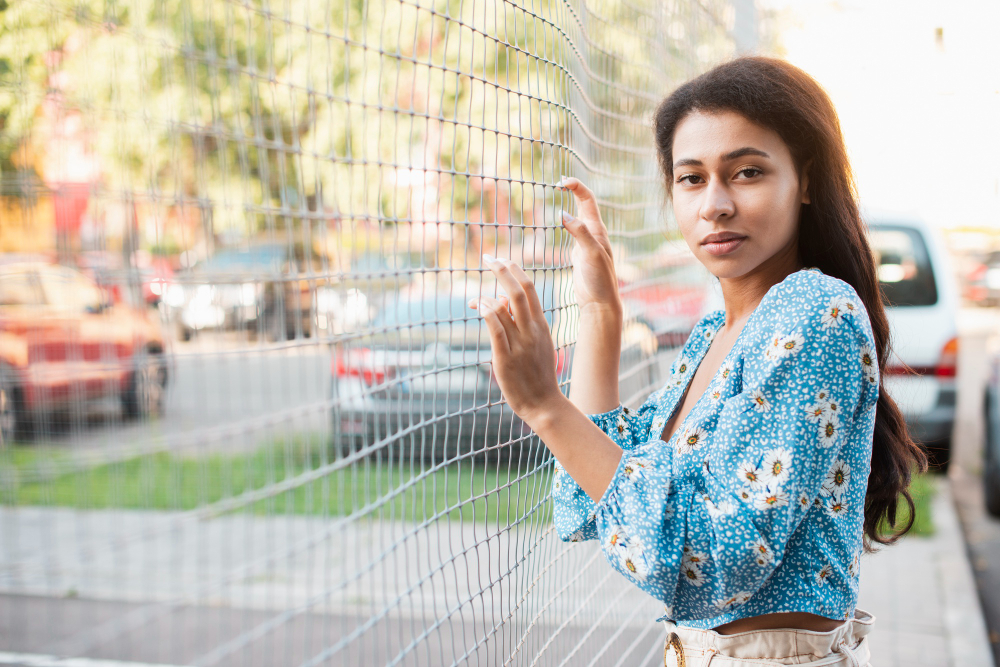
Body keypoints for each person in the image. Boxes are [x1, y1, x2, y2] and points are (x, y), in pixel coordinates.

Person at [467, 56, 927, 667]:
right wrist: (603, 314)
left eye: (746, 172)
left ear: (807, 181)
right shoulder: (722, 329)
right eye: (691, 178)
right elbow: (600, 488)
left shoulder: (816, 310)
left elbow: (708, 562)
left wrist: (544, 406)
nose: (715, 204)